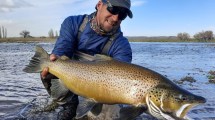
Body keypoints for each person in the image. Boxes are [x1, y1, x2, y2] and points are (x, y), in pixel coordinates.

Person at [41, 0, 133, 119]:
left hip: (101, 86)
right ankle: (69, 105)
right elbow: (62, 52)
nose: (116, 18)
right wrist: (55, 58)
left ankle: (91, 109)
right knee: (49, 68)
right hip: (70, 75)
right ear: (99, 5)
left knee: (113, 114)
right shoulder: (73, 23)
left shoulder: (122, 45)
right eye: (113, 9)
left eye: (122, 14)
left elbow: (122, 76)